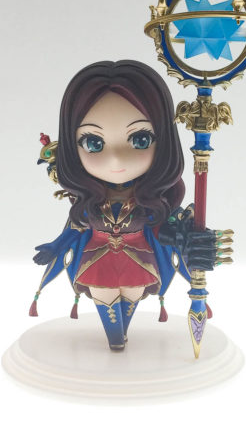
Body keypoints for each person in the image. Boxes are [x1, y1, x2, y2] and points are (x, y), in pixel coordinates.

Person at [30, 60, 221, 351]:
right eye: (93, 143)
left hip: (139, 259)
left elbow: (170, 233)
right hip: (97, 259)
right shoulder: (89, 201)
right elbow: (73, 230)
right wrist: (55, 247)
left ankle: (121, 337)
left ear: (163, 141)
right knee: (106, 299)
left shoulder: (151, 200)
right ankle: (116, 340)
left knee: (130, 295)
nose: (116, 159)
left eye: (141, 139)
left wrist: (193, 242)